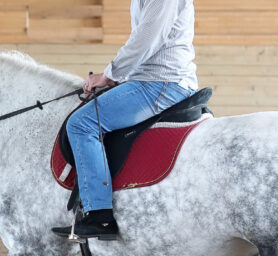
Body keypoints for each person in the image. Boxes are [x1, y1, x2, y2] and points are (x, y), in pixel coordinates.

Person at [51, 0, 199, 240]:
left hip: (161, 82)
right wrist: (120, 78)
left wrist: (110, 75)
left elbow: (147, 38)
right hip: (149, 79)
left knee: (81, 124)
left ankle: (99, 215)